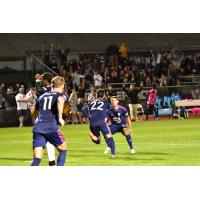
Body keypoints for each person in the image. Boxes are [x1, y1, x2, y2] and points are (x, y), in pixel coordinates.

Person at [30, 76, 67, 166]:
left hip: (38, 128)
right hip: (51, 127)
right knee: (63, 149)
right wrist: (60, 117)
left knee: (37, 158)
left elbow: (33, 113)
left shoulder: (42, 96)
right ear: (62, 85)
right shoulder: (61, 95)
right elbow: (60, 101)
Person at [82, 89, 116, 158]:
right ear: (103, 95)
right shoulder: (106, 102)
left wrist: (88, 117)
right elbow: (112, 110)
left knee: (98, 141)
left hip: (92, 123)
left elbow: (83, 109)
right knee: (110, 137)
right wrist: (116, 116)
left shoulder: (91, 103)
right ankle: (113, 155)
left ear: (96, 95)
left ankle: (94, 136)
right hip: (101, 123)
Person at [35, 72, 56, 166]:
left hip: (45, 117)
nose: (41, 81)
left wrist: (37, 80)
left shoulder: (47, 88)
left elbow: (39, 90)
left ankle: (40, 160)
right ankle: (52, 162)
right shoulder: (54, 88)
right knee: (49, 139)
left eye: (42, 79)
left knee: (40, 139)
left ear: (46, 80)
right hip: (51, 116)